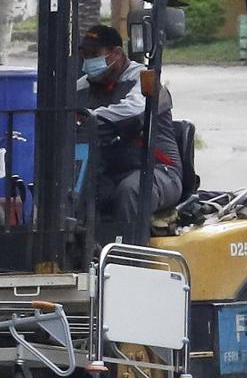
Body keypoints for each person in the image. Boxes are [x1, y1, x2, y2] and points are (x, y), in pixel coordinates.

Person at [76, 25, 183, 231]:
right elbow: (64, 112)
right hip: (111, 171)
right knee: (80, 192)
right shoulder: (83, 86)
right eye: (85, 56)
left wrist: (89, 117)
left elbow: (134, 111)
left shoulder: (144, 79)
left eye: (95, 55)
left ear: (117, 53)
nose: (89, 63)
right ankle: (84, 254)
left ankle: (130, 256)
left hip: (157, 170)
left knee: (131, 190)